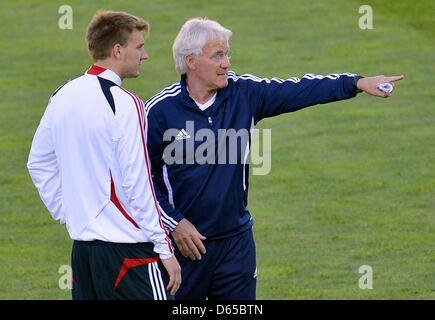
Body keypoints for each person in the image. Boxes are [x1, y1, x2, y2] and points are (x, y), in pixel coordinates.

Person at [145, 17, 403, 300]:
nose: (227, 63)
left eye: (227, 54)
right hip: (184, 246)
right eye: (218, 55)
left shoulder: (244, 94)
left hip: (236, 244)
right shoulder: (158, 112)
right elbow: (139, 180)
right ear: (191, 61)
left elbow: (299, 90)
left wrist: (356, 83)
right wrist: (175, 223)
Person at [27, 10, 181, 300]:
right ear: (117, 50)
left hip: (83, 252)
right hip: (129, 253)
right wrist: (164, 247)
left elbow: (38, 162)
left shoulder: (62, 94)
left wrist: (68, 212)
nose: (144, 55)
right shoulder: (125, 103)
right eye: (139, 47)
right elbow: (140, 183)